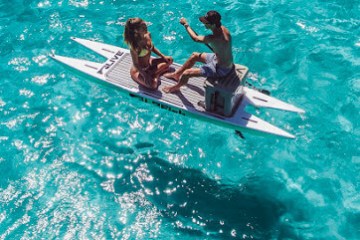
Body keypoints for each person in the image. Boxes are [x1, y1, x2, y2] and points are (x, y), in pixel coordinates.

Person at [163, 11, 234, 93]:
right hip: (220, 59)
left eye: (206, 23)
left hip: (221, 68)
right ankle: (176, 75)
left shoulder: (214, 37)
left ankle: (176, 87)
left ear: (213, 24)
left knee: (187, 73)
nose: (204, 24)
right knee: (194, 55)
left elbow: (195, 38)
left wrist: (186, 25)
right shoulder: (223, 29)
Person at [124, 17, 173, 90]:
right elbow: (136, 64)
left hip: (149, 63)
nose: (146, 27)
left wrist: (163, 56)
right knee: (153, 86)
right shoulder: (134, 46)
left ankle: (155, 74)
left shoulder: (148, 35)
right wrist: (145, 76)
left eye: (145, 25)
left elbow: (152, 47)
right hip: (139, 71)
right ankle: (156, 74)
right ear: (136, 30)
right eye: (143, 27)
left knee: (170, 60)